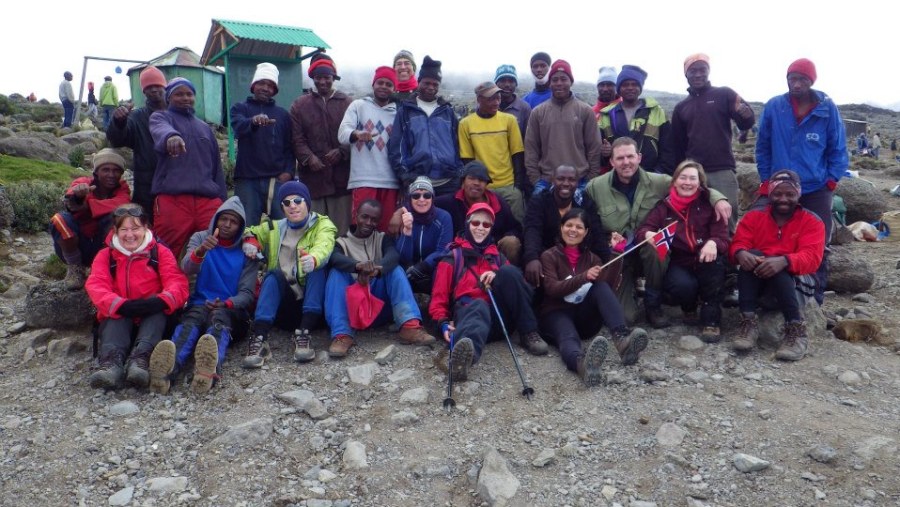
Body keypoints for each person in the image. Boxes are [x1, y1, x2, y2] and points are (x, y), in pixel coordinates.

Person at [584, 137, 730, 327]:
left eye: (630, 156)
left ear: (639, 157)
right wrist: (605, 238)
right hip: (619, 256)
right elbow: (588, 224)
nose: (626, 162)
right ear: (611, 161)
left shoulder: (660, 181)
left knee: (657, 246)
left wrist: (718, 198)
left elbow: (690, 184)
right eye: (620, 158)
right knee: (626, 318)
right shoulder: (595, 187)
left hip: (650, 254)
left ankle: (653, 303)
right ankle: (630, 293)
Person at [755, 58, 848, 305]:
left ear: (811, 81)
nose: (796, 84)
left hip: (815, 187)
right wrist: (766, 180)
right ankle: (766, 292)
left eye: (802, 80)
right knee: (768, 234)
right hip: (779, 187)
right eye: (791, 79)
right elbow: (762, 146)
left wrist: (831, 181)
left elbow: (838, 148)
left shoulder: (827, 109)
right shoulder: (775, 106)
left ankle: (814, 300)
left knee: (818, 242)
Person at [148, 196, 257, 395]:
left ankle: (207, 372)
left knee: (218, 320)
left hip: (232, 311)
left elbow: (247, 294)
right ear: (216, 218)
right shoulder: (200, 238)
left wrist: (227, 303)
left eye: (233, 222)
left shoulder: (247, 250)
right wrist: (201, 251)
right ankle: (166, 371)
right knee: (191, 322)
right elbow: (187, 268)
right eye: (224, 219)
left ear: (240, 227)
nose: (227, 225)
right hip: (199, 303)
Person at [430, 203, 549, 381]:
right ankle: (464, 360)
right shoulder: (452, 259)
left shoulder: (498, 258)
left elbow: (521, 287)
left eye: (486, 225)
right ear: (467, 224)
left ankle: (528, 332)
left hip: (499, 321)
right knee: (478, 305)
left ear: (491, 228)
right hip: (469, 318)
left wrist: (497, 274)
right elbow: (438, 299)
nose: (480, 228)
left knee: (509, 272)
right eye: (475, 223)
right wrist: (443, 323)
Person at [84, 204, 189, 390]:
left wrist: (160, 301)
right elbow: (96, 285)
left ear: (145, 228)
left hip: (152, 316)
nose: (129, 234)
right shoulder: (105, 256)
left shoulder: (159, 252)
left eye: (135, 228)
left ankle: (141, 361)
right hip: (121, 315)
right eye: (123, 229)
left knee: (158, 315)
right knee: (113, 316)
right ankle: (110, 364)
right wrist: (120, 305)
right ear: (115, 231)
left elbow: (177, 282)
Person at [539, 209, 649, 386]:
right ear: (561, 228)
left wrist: (615, 252)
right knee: (568, 336)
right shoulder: (548, 256)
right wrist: (583, 277)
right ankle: (582, 365)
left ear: (586, 232)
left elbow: (607, 287)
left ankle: (622, 339)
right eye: (568, 225)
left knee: (600, 286)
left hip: (584, 319)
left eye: (579, 227)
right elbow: (552, 289)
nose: (573, 230)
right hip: (556, 313)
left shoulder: (592, 258)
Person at [729, 170, 824, 361]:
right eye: (778, 193)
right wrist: (740, 253)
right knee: (752, 256)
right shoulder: (753, 217)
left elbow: (812, 257)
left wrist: (785, 260)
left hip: (796, 284)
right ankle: (748, 321)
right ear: (769, 194)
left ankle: (796, 329)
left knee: (779, 265)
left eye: (790, 194)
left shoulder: (812, 221)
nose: (783, 199)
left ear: (798, 194)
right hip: (760, 285)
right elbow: (738, 243)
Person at [241, 181, 337, 368]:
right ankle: (260, 337)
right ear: (282, 207)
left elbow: (325, 244)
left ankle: (304, 334)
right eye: (286, 202)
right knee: (273, 275)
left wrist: (314, 258)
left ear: (307, 202)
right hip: (283, 307)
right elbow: (249, 231)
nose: (292, 206)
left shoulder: (322, 224)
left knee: (318, 271)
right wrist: (250, 241)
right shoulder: (274, 227)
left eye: (298, 200)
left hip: (314, 310)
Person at [324, 200, 437, 357]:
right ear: (356, 216)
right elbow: (335, 259)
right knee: (336, 273)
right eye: (365, 217)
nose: (369, 223)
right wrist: (358, 267)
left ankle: (409, 325)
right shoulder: (341, 243)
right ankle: (342, 335)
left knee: (395, 269)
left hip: (380, 308)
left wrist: (375, 272)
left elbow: (393, 255)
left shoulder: (382, 238)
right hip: (353, 310)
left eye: (374, 219)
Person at [635, 160, 729, 342]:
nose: (687, 182)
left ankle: (711, 320)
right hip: (680, 262)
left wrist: (714, 242)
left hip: (706, 258)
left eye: (692, 178)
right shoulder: (664, 207)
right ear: (674, 181)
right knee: (683, 286)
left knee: (714, 270)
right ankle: (689, 306)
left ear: (700, 182)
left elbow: (723, 237)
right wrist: (648, 233)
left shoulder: (710, 204)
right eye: (683, 177)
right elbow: (642, 230)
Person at [671, 53, 756, 229]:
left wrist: (746, 117)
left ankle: (727, 254)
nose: (698, 74)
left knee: (726, 215)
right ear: (685, 74)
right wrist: (679, 174)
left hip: (722, 168)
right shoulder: (681, 108)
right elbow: (678, 145)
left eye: (702, 69)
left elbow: (746, 121)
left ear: (708, 71)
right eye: (692, 71)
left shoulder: (724, 94)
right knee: (695, 215)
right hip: (693, 172)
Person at [149, 77, 227, 258]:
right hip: (173, 199)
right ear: (168, 98)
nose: (185, 98)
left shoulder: (205, 128)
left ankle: (208, 285)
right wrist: (171, 137)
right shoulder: (161, 117)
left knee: (216, 247)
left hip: (207, 201)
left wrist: (223, 202)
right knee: (166, 250)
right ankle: (166, 286)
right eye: (179, 94)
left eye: (189, 94)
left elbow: (216, 168)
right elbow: (160, 129)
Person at [50, 148, 132, 289]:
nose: (111, 175)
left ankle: (107, 269)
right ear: (96, 172)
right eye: (105, 170)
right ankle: (76, 269)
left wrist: (88, 206)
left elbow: (121, 204)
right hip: (80, 244)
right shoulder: (84, 182)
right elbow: (71, 197)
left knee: (119, 218)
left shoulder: (122, 189)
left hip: (103, 246)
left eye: (116, 170)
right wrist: (78, 196)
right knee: (59, 220)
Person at [291, 55, 353, 236]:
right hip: (313, 179)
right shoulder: (300, 105)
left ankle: (340, 262)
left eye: (327, 77)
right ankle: (315, 262)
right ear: (312, 78)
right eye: (318, 77)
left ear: (334, 77)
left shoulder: (347, 103)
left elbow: (354, 135)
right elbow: (297, 138)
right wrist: (309, 158)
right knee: (314, 229)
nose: (323, 81)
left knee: (341, 230)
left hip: (341, 177)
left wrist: (342, 151)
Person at [523, 164, 610, 288]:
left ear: (577, 182)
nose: (566, 183)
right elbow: (532, 230)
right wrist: (532, 258)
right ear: (553, 180)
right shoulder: (539, 201)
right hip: (547, 258)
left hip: (578, 260)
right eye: (561, 179)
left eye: (571, 180)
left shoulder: (585, 202)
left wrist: (606, 263)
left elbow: (596, 232)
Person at [230, 62, 295, 227]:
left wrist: (288, 171)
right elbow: (238, 126)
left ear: (274, 90)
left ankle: (281, 254)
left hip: (277, 181)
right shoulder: (240, 108)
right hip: (247, 180)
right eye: (261, 83)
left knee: (284, 227)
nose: (265, 88)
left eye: (270, 85)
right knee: (246, 227)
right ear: (253, 85)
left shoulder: (283, 115)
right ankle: (248, 253)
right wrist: (253, 121)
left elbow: (289, 147)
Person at [388, 55, 463, 197]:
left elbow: (458, 143)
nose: (431, 88)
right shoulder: (406, 111)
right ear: (419, 82)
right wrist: (405, 176)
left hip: (449, 183)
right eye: (427, 83)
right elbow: (396, 147)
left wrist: (458, 172)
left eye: (435, 85)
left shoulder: (447, 112)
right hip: (417, 183)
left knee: (448, 219)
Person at [524, 59, 603, 195]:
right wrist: (536, 180)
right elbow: (531, 149)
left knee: (580, 217)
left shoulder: (585, 111)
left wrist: (590, 179)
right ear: (550, 83)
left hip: (579, 181)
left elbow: (594, 148)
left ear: (571, 81)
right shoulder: (537, 112)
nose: (559, 83)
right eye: (555, 80)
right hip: (546, 181)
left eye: (563, 79)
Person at [338, 66, 401, 232]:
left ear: (394, 88)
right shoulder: (358, 106)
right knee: (361, 228)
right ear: (373, 84)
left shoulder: (398, 113)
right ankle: (359, 259)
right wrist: (356, 133)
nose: (384, 86)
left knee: (386, 230)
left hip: (390, 181)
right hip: (364, 179)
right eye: (380, 82)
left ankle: (382, 259)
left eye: (388, 84)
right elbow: (342, 134)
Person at [458, 81, 527, 222]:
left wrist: (518, 186)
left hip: (508, 185)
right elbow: (468, 160)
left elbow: (517, 153)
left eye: (498, 98)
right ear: (479, 100)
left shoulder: (509, 120)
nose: (496, 102)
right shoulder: (466, 124)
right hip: (482, 185)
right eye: (490, 99)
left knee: (518, 223)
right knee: (483, 224)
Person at [107, 66, 168, 220]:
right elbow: (117, 140)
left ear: (164, 86)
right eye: (149, 87)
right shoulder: (137, 116)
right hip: (147, 185)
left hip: (175, 182)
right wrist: (119, 122)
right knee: (147, 225)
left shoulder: (177, 114)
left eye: (157, 85)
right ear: (144, 92)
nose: (154, 89)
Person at [434, 161, 523, 265]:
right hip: (463, 254)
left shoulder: (498, 202)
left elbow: (516, 228)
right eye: (471, 178)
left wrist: (501, 240)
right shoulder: (450, 202)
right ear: (463, 182)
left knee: (511, 242)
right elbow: (426, 203)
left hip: (494, 253)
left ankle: (508, 276)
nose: (476, 183)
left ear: (486, 184)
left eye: (481, 180)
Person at [598, 65, 675, 174]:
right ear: (619, 88)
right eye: (625, 85)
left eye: (634, 84)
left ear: (640, 88)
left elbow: (668, 149)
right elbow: (599, 153)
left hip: (651, 176)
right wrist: (604, 154)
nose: (630, 88)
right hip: (618, 176)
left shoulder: (656, 111)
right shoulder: (606, 115)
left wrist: (659, 173)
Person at [392, 177, 454, 293]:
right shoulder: (403, 216)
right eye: (416, 196)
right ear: (410, 199)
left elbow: (443, 250)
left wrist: (423, 266)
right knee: (397, 271)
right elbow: (402, 258)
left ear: (432, 198)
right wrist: (407, 230)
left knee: (443, 268)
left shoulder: (444, 217)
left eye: (427, 195)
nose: (421, 199)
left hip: (432, 268)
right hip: (408, 269)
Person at [494, 64, 531, 141]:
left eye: (511, 81)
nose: (507, 85)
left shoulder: (524, 108)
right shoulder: (487, 106)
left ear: (516, 84)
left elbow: (528, 139)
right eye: (503, 81)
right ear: (496, 84)